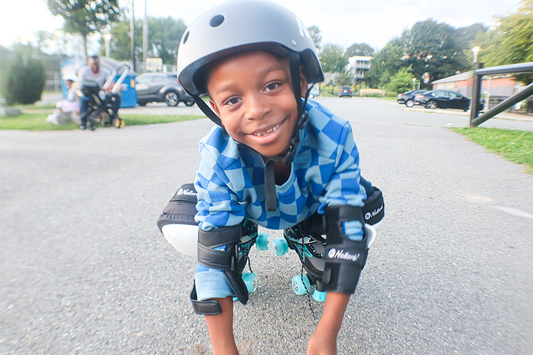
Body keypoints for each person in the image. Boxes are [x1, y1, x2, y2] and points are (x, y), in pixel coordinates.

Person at [157, 1, 385, 354]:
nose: (257, 110)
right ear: (214, 109)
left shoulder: (335, 135)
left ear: (302, 80)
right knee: (194, 232)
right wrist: (223, 348)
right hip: (248, 213)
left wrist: (326, 336)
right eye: (232, 99)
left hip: (309, 211)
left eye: (272, 84)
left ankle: (304, 239)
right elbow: (212, 255)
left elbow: (347, 235)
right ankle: (245, 239)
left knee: (362, 220)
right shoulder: (217, 156)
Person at [78, 55, 118, 130]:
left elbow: (110, 82)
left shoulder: (105, 71)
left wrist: (109, 87)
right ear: (89, 63)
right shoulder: (84, 71)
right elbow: (81, 85)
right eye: (93, 63)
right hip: (89, 94)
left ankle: (113, 117)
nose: (95, 65)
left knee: (116, 96)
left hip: (101, 93)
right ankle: (83, 123)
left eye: (96, 63)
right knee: (83, 98)